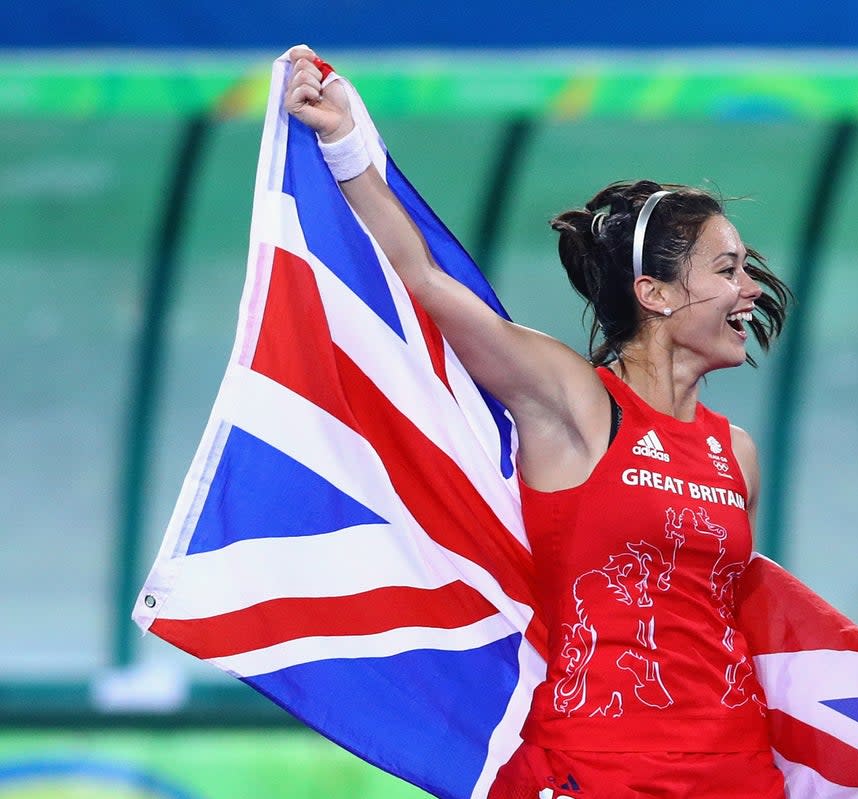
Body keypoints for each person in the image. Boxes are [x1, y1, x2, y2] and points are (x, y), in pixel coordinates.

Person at [284, 46, 793, 797]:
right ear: (653, 294)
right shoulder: (575, 401)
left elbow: (737, 627)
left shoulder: (736, 454)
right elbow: (422, 278)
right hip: (598, 774)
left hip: (739, 774)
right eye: (727, 269)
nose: (751, 288)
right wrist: (345, 143)